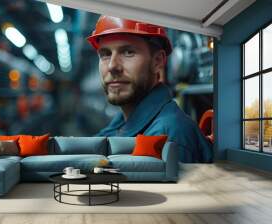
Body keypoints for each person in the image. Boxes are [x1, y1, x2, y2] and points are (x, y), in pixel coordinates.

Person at [87, 15, 213, 163]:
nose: (112, 66)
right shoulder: (122, 120)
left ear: (157, 61)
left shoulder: (168, 137)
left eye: (128, 52)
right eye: (105, 54)